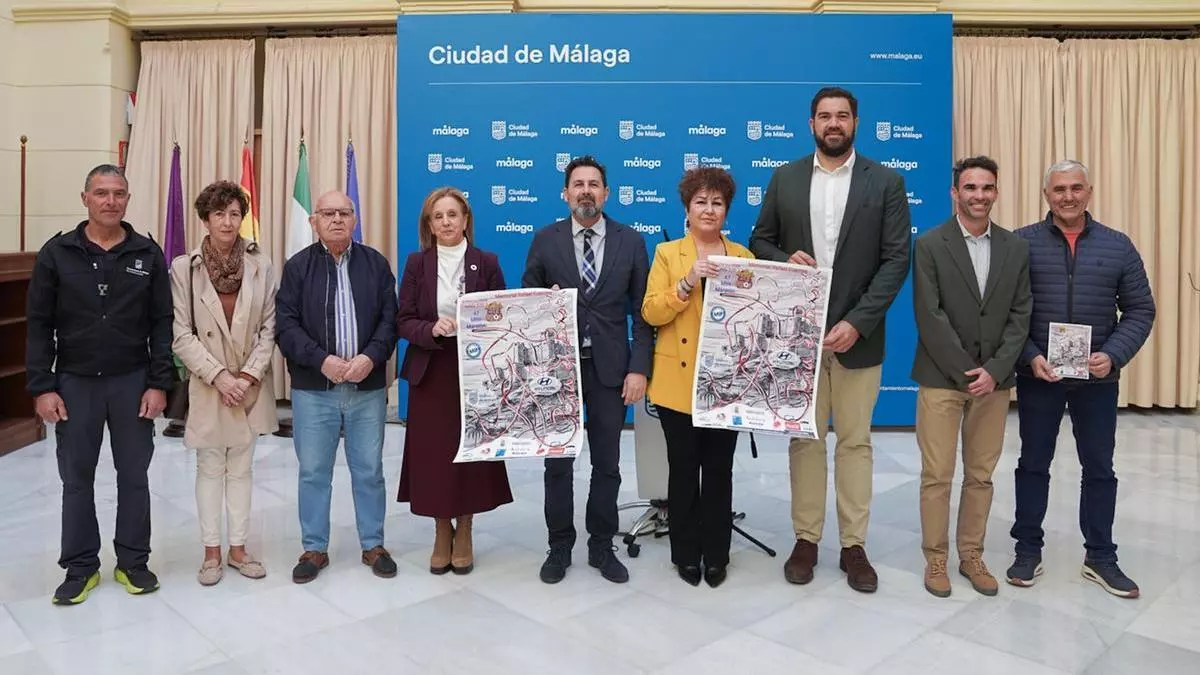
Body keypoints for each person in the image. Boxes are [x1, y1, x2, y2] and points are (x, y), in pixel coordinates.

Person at [749, 86, 911, 593]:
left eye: (842, 115)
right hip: (798, 340)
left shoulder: (886, 182)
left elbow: (896, 260)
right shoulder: (786, 177)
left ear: (856, 123)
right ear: (812, 124)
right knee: (805, 441)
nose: (834, 123)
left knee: (856, 442)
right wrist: (783, 259)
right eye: (825, 116)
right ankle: (806, 539)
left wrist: (858, 321)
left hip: (859, 338)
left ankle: (853, 546)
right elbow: (759, 239)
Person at [1007, 160, 1155, 598]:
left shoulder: (1118, 245)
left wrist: (1113, 355)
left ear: (1089, 192)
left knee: (1100, 468)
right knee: (1033, 464)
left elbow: (1140, 310)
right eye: (1059, 189)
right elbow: (1006, 313)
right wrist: (1030, 356)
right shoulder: (1021, 244)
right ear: (1046, 195)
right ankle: (1027, 550)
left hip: (1098, 381)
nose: (1068, 196)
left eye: (1076, 188)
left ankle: (1101, 557)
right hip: (1039, 376)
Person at [26, 164, 172, 604]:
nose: (111, 201)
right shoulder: (56, 254)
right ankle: (80, 567)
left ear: (128, 199)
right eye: (102, 193)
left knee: (134, 476)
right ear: (85, 198)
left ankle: (133, 563)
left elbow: (162, 323)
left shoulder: (147, 253)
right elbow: (38, 324)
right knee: (76, 478)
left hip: (133, 382)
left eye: (119, 193)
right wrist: (42, 387)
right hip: (75, 383)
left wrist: (158, 383)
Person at [523, 155, 652, 585]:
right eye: (578, 184)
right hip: (559, 371)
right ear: (565, 193)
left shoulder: (631, 241)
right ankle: (559, 545)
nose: (586, 191)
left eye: (594, 184)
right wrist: (545, 302)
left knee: (607, 463)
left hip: (611, 370)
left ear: (606, 193)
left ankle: (600, 545)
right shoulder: (546, 240)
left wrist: (639, 368)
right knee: (558, 464)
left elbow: (644, 313)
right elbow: (527, 304)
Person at [911, 156, 1032, 598]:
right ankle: (935, 558)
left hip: (993, 384)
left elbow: (1021, 314)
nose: (979, 195)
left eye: (986, 187)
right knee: (937, 475)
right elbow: (930, 315)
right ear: (955, 193)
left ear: (996, 191)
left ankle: (971, 555)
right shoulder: (929, 244)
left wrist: (995, 371)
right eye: (970, 187)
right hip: (942, 379)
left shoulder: (1015, 248)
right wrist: (968, 372)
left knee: (980, 475)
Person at [275, 190, 399, 584]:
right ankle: (314, 548)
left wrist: (370, 358)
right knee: (313, 471)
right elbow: (285, 327)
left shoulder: (376, 264)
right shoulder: (297, 267)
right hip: (314, 389)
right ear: (314, 221)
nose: (336, 219)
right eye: (328, 213)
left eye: (344, 213)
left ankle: (373, 544)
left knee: (369, 470)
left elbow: (390, 321)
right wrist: (322, 360)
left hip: (366, 388)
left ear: (354, 219)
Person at [642, 167, 753, 589]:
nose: (709, 209)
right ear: (687, 209)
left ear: (727, 210)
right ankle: (686, 553)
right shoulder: (667, 253)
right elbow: (651, 311)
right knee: (684, 471)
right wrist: (686, 283)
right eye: (701, 202)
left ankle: (717, 554)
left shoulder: (743, 256)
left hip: (726, 386)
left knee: (720, 471)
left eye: (717, 202)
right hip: (678, 384)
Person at [396, 186, 513, 575]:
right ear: (429, 225)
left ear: (465, 220)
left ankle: (465, 528)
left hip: (476, 370)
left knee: (470, 452)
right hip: (432, 369)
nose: (446, 222)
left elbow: (502, 315)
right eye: (438, 216)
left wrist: (479, 324)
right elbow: (403, 320)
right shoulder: (417, 263)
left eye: (452, 215)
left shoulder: (487, 262)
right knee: (435, 457)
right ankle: (440, 529)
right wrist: (430, 328)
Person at [170, 180, 279, 586]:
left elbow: (269, 327)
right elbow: (181, 334)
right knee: (210, 467)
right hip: (209, 382)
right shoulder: (184, 268)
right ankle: (211, 553)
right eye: (219, 214)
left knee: (242, 469)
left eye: (235, 214)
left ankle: (238, 549)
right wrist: (220, 377)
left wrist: (247, 376)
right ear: (206, 219)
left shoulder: (260, 264)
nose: (228, 222)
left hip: (249, 384)